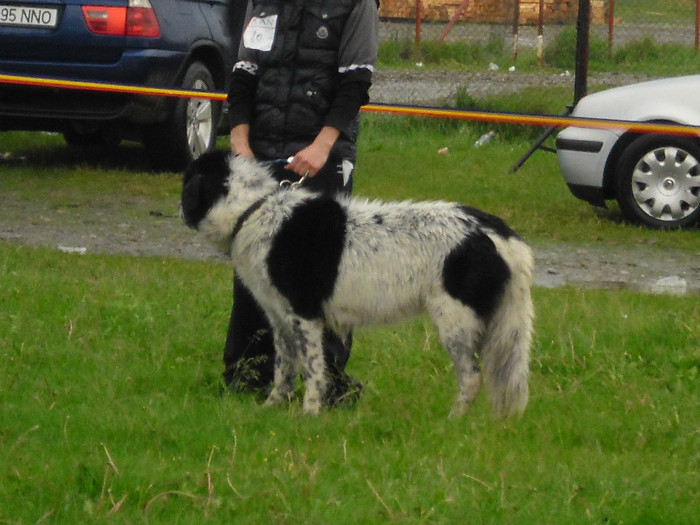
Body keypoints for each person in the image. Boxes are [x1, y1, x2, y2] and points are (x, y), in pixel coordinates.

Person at [224, 0, 379, 404]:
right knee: (254, 268)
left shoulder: (357, 5)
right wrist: (241, 145)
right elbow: (244, 73)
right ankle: (246, 374)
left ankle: (325, 383)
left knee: (323, 275)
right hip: (261, 154)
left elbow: (355, 82)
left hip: (320, 155)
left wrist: (323, 147)